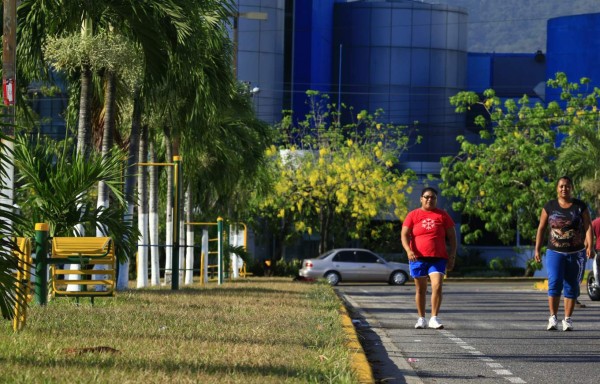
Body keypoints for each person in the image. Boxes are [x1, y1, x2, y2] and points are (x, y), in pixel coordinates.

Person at [534, 176, 593, 331]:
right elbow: (541, 228)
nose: (564, 189)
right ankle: (553, 318)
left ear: (571, 188)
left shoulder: (580, 206)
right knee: (554, 281)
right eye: (561, 186)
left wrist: (590, 246)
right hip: (555, 252)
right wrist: (537, 248)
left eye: (567, 186)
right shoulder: (550, 206)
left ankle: (567, 319)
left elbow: (588, 226)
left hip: (576, 252)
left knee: (572, 285)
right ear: (557, 188)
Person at [401, 187, 457, 330]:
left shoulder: (443, 216)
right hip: (418, 258)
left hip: (438, 258)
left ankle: (434, 318)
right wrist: (408, 250)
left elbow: (452, 237)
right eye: (426, 197)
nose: (429, 199)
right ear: (421, 198)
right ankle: (421, 319)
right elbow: (404, 235)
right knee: (421, 289)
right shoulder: (413, 215)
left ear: (436, 200)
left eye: (433, 197)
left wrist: (452, 255)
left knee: (437, 286)